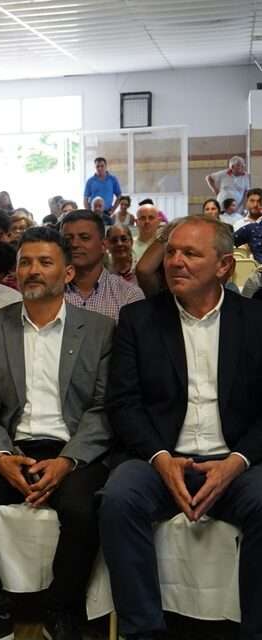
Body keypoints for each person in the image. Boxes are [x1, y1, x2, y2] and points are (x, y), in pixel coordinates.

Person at [0, 226, 115, 640]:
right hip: (14, 446)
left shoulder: (99, 329)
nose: (32, 271)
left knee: (82, 509)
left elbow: (103, 410)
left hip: (72, 449)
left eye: (44, 262)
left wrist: (68, 461)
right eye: (25, 263)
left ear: (68, 273)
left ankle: (62, 610)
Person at [100, 216, 262, 640]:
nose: (175, 262)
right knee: (119, 497)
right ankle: (143, 631)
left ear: (224, 266)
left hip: (235, 461)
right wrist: (160, 458)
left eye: (191, 253)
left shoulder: (256, 320)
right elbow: (124, 403)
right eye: (171, 251)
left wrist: (237, 462)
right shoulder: (139, 319)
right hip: (160, 456)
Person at [61, 210, 144, 322]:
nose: (74, 244)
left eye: (84, 237)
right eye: (68, 239)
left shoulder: (128, 295)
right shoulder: (50, 292)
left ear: (103, 245)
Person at [232, 189, 262, 262]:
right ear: (246, 202)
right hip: (243, 264)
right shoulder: (239, 225)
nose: (255, 205)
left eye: (259, 201)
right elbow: (230, 246)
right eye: (252, 201)